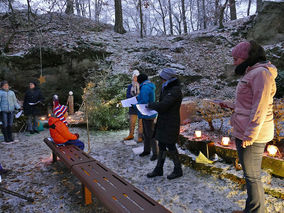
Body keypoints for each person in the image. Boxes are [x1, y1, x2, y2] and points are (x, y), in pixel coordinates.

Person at [220, 41, 277, 213]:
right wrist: (230, 104)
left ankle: (256, 211)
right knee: (250, 175)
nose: (234, 62)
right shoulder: (252, 73)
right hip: (245, 131)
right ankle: (251, 209)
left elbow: (260, 107)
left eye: (236, 58)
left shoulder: (261, 74)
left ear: (247, 58)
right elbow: (249, 103)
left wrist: (250, 135)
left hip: (252, 135)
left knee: (252, 177)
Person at [146, 68, 183, 180]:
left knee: (171, 145)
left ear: (167, 78)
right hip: (164, 120)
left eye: (162, 78)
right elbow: (163, 105)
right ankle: (159, 169)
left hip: (170, 122)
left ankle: (178, 170)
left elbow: (164, 105)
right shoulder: (167, 88)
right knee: (162, 144)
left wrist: (151, 105)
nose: (161, 80)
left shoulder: (175, 90)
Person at [135, 73, 158, 161]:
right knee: (146, 133)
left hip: (147, 113)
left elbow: (144, 101)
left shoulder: (144, 87)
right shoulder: (148, 86)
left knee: (150, 134)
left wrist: (135, 104)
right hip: (148, 112)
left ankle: (155, 153)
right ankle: (147, 150)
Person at [123, 70, 143, 142]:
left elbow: (142, 95)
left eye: (137, 77)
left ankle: (140, 136)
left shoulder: (141, 86)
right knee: (132, 122)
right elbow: (127, 95)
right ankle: (131, 135)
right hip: (132, 106)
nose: (135, 78)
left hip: (140, 106)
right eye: (134, 77)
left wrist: (138, 98)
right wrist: (132, 98)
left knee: (140, 123)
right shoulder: (130, 86)